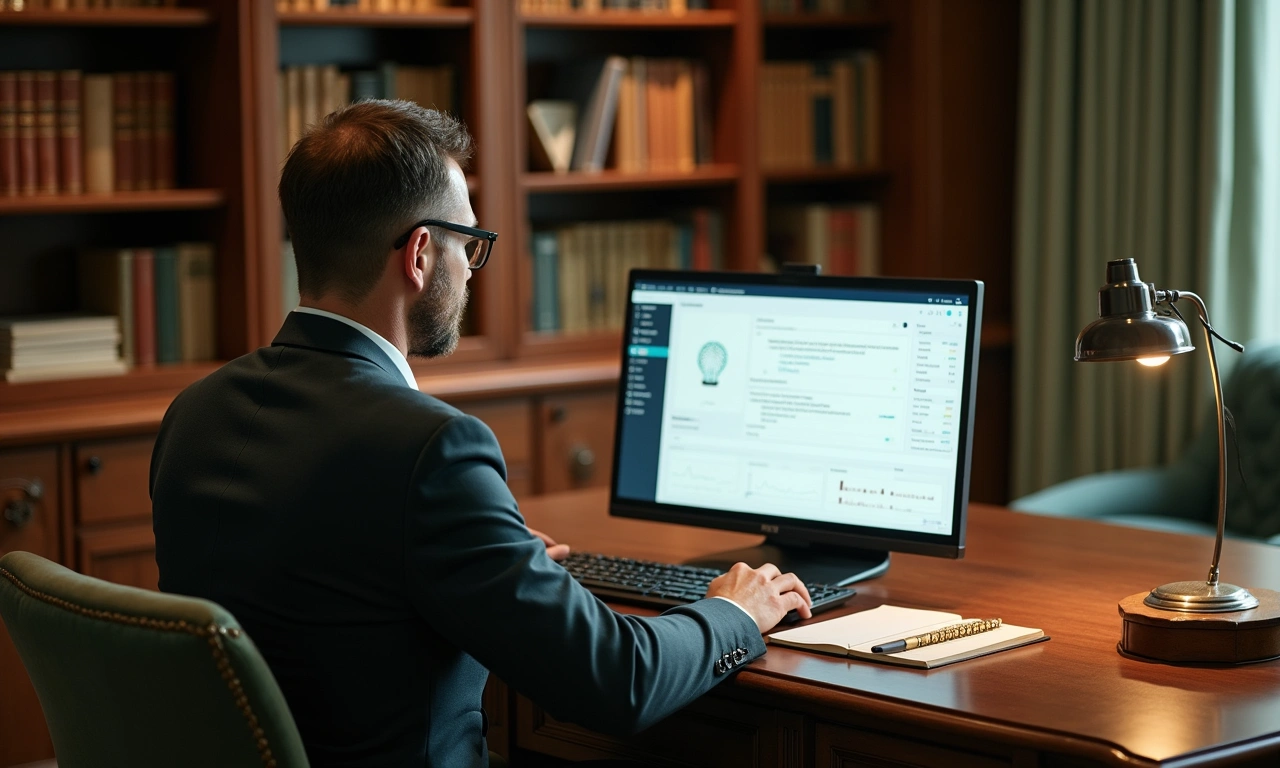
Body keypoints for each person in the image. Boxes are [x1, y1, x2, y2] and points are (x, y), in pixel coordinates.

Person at [150, 100, 813, 768]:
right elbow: (620, 683)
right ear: (419, 254)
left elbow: (323, 581)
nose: (469, 268)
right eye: (468, 244)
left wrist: (488, 560)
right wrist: (734, 612)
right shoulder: (429, 449)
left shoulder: (196, 412)